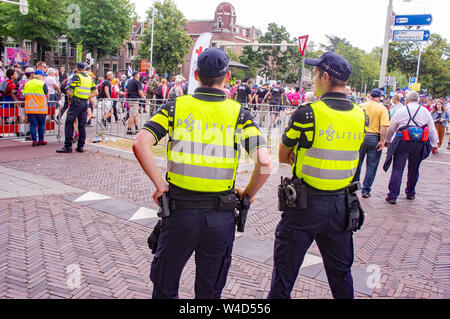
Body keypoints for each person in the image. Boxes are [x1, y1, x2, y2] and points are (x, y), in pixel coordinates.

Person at [133, 48, 272, 299]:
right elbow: (265, 161)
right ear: (227, 77)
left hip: (178, 213)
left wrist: (159, 185)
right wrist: (248, 195)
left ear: (196, 75)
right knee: (209, 290)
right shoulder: (239, 115)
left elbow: (140, 143)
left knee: (165, 285)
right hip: (220, 217)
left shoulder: (175, 107)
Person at [268, 52, 368, 300]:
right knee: (341, 274)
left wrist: (298, 156)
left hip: (305, 205)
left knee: (284, 275)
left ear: (325, 77)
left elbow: (283, 152)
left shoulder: (307, 114)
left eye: (315, 74)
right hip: (341, 206)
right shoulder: (360, 115)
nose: (313, 78)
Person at [383, 91, 439, 204]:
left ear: (407, 100)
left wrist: (387, 140)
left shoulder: (401, 110)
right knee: (414, 169)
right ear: (418, 100)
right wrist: (434, 143)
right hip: (419, 143)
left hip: (403, 141)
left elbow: (392, 126)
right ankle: (410, 192)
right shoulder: (425, 111)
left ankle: (393, 195)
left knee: (398, 168)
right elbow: (431, 128)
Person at [353, 88, 390, 198]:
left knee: (357, 163)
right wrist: (382, 140)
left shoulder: (361, 106)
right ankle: (366, 190)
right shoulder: (382, 109)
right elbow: (384, 126)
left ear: (370, 96)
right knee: (371, 165)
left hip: (361, 136)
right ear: (379, 97)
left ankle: (354, 186)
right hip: (375, 137)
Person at [57, 62, 96, 154]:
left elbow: (70, 92)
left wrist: (71, 97)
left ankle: (68, 146)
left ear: (77, 68)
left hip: (76, 102)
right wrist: (86, 96)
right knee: (82, 125)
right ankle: (80, 146)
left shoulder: (76, 77)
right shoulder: (89, 78)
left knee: (69, 123)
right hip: (84, 103)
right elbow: (95, 92)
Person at [23, 68, 49, 147]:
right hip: (41, 108)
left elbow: (24, 95)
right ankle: (41, 140)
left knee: (33, 125)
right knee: (41, 124)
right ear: (40, 76)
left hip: (30, 108)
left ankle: (34, 141)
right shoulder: (42, 84)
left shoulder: (27, 83)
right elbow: (46, 94)